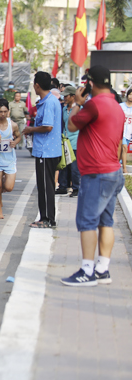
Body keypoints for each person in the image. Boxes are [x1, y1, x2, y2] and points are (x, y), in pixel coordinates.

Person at [61, 65, 125, 286]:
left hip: (96, 173)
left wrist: (78, 103)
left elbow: (71, 124)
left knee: (87, 221)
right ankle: (102, 269)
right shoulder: (117, 106)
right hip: (113, 171)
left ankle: (87, 271)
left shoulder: (94, 105)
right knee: (106, 221)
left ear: (90, 83)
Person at [22, 71, 62, 228]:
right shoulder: (49, 100)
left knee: (46, 186)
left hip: (47, 150)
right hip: (46, 150)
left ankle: (47, 219)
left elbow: (48, 126)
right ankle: (45, 217)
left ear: (37, 86)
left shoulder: (49, 102)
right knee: (44, 185)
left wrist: (30, 129)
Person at [0, 99, 20, 220]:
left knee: (9, 188)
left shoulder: (13, 125)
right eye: (0, 111)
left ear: (8, 111)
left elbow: (19, 136)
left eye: (5, 111)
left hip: (9, 160)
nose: (2, 114)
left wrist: (15, 142)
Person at [56, 85, 81, 197]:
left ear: (72, 96)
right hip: (65, 141)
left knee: (75, 167)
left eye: (66, 96)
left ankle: (76, 188)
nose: (64, 98)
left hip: (76, 141)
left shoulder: (79, 109)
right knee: (63, 165)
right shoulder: (64, 109)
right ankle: (63, 186)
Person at [119, 88, 132, 174]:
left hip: (129, 132)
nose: (131, 97)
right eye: (130, 94)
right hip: (120, 131)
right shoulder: (121, 106)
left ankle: (117, 164)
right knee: (124, 148)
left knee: (121, 151)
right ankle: (124, 168)